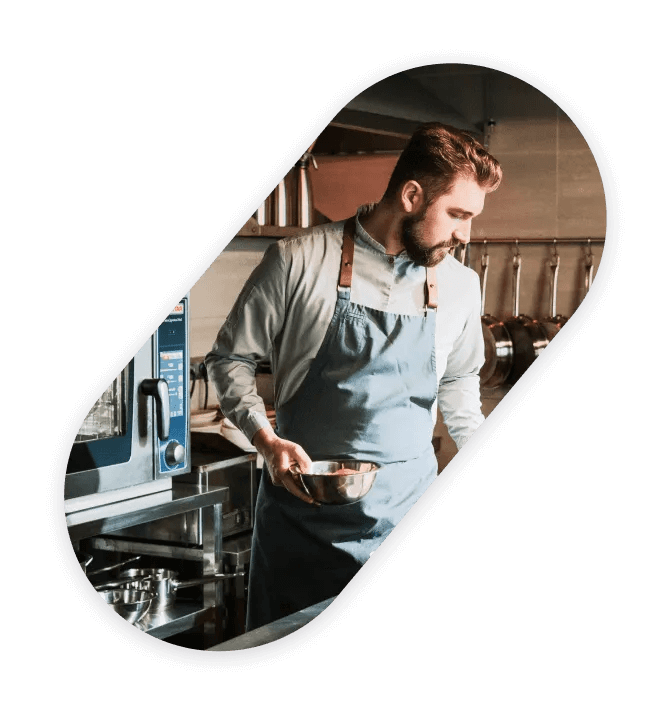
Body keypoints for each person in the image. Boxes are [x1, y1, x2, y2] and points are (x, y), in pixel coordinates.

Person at [205, 122, 503, 631]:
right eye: (457, 214)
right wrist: (267, 441)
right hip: (302, 530)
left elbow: (458, 383)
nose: (465, 235)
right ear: (411, 195)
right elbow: (229, 360)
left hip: (405, 513)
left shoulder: (460, 285)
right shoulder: (298, 260)